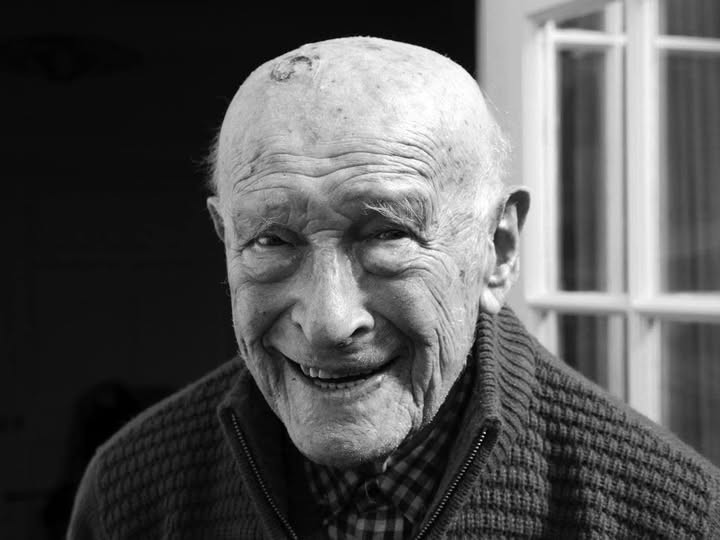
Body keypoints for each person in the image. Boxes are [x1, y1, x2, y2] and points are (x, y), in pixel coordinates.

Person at [67, 37, 720, 539]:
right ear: (225, 236)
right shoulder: (132, 494)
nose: (329, 321)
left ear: (497, 249)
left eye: (387, 235)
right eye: (272, 240)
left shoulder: (670, 517)